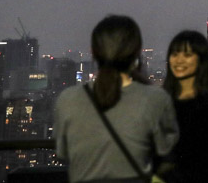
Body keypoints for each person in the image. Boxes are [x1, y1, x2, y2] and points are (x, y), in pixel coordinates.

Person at [55, 15, 179, 182]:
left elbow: (62, 152)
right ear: (137, 52)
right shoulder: (155, 99)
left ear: (93, 52)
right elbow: (166, 151)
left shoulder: (67, 99)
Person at [160, 30, 208, 183]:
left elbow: (207, 156)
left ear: (201, 60)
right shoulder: (163, 99)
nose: (179, 60)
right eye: (175, 54)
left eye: (187, 55)